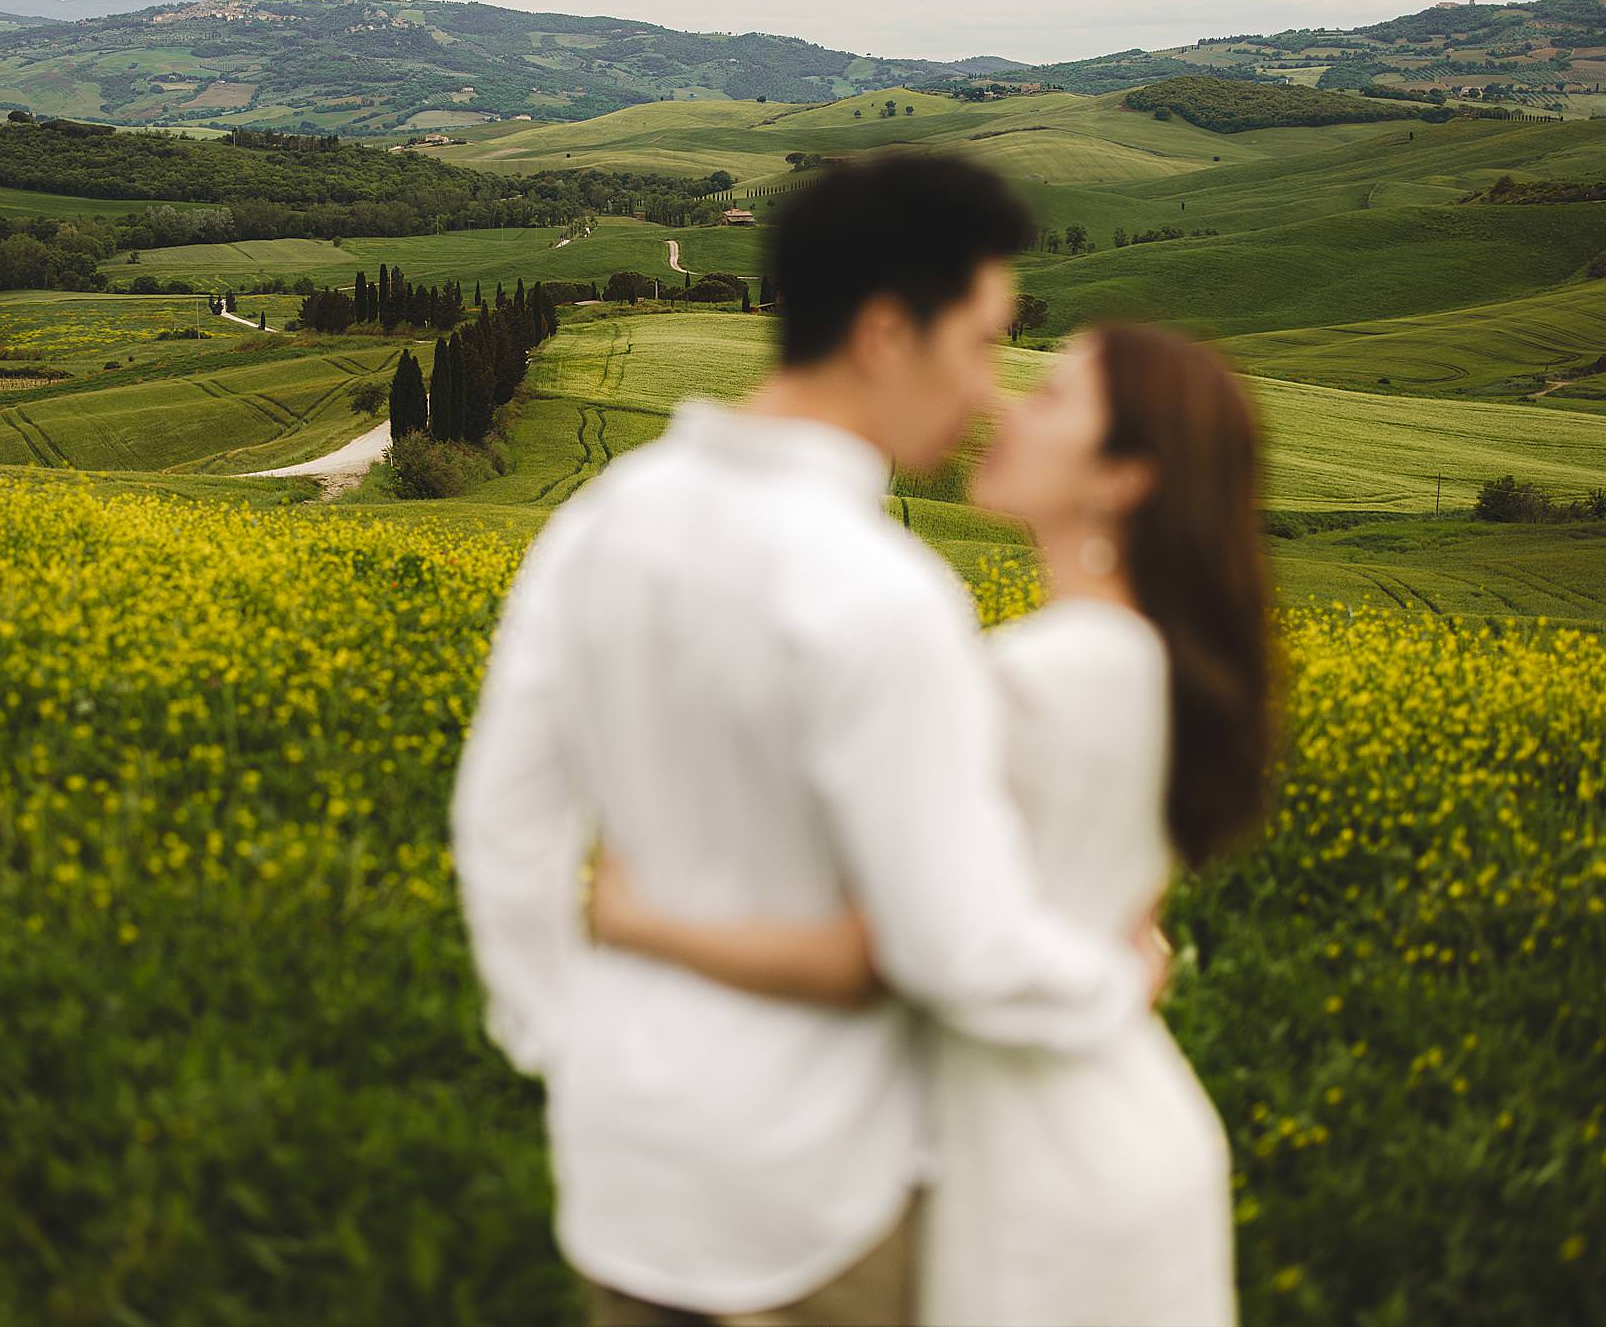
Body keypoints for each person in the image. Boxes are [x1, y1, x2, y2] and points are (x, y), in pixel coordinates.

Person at [452, 154, 1161, 1325]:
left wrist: (559, 1036)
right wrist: (1112, 980)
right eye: (979, 344)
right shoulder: (881, 593)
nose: (990, 392)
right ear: (888, 333)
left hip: (625, 1168)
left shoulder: (604, 518)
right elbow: (953, 948)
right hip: (818, 1191)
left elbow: (503, 826)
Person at [590, 321, 1274, 1326]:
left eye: (1049, 399)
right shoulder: (1151, 668)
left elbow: (886, 953)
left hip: (1033, 1168)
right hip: (1133, 1131)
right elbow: (1130, 924)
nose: (1002, 404)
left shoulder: (1034, 680)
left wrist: (632, 917)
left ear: (1124, 474)